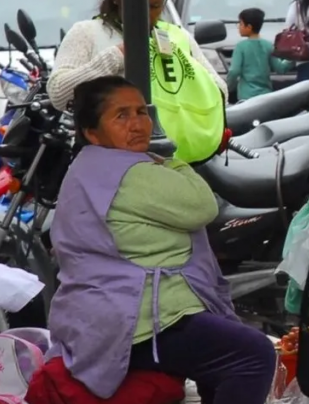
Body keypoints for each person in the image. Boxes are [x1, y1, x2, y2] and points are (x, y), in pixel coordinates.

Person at [45, 76, 277, 404]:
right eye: (121, 115)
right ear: (91, 132)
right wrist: (172, 162)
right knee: (253, 355)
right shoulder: (130, 172)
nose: (138, 123)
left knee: (224, 359)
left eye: (141, 111)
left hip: (102, 320)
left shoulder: (88, 168)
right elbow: (202, 206)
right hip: (133, 324)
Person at [48, 0, 228, 164]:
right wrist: (115, 57)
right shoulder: (87, 33)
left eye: (155, 6)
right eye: (138, 5)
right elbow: (58, 93)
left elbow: (219, 89)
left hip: (177, 162)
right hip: (109, 164)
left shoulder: (176, 36)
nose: (147, 15)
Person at [227, 8, 292, 101]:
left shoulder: (240, 47)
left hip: (246, 96)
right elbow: (280, 68)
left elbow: (234, 71)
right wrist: (293, 58)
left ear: (249, 27)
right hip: (265, 96)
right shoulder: (268, 45)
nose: (238, 26)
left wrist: (228, 88)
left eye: (240, 24)